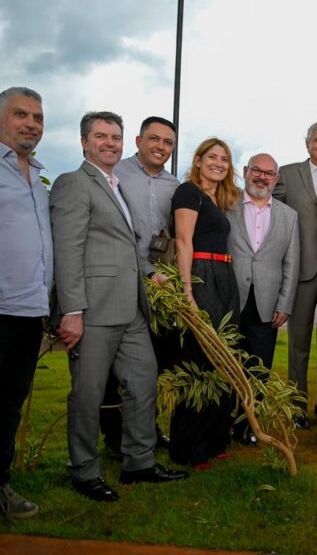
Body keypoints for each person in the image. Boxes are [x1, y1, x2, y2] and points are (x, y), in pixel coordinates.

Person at [51, 111, 187, 503]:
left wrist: (150, 275)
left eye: (115, 137)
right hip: (93, 310)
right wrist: (72, 310)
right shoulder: (73, 184)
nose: (109, 143)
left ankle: (139, 462)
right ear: (83, 142)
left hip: (132, 309)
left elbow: (126, 248)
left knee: (144, 382)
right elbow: (68, 249)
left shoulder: (115, 186)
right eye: (100, 136)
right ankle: (83, 471)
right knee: (88, 394)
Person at [101, 116, 179, 457]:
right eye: (154, 139)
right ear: (138, 140)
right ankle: (114, 437)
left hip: (159, 283)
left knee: (155, 362)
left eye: (168, 143)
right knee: (112, 368)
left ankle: (146, 428)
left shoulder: (175, 186)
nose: (161, 147)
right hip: (120, 279)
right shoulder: (115, 175)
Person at [169, 137, 240, 469]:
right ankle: (187, 447)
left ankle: (213, 439)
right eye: (212, 157)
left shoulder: (217, 197)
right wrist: (187, 292)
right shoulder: (189, 192)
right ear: (198, 160)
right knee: (201, 357)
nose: (219, 163)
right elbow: (183, 241)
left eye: (224, 159)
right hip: (202, 273)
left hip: (224, 274)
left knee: (224, 357)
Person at [0, 87, 51, 519]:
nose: (31, 123)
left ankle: (1, 485)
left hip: (29, 310)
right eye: (21, 114)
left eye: (37, 116)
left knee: (9, 404)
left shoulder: (36, 175)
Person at [273, 121, 317, 428]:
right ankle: (297, 409)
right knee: (298, 344)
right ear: (307, 144)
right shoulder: (287, 174)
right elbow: (270, 215)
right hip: (301, 270)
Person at [227, 153, 300, 445]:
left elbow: (291, 263)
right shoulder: (226, 206)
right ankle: (222, 423)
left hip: (267, 304)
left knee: (258, 369)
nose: (262, 177)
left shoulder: (288, 215)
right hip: (230, 300)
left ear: (276, 179)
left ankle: (249, 429)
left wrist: (285, 303)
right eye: (256, 170)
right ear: (245, 172)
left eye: (269, 173)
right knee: (226, 366)